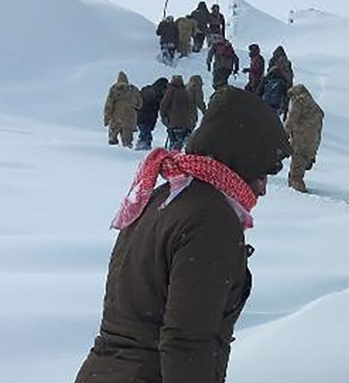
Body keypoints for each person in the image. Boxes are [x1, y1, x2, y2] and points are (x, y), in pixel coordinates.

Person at [75, 87, 292, 383]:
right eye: (261, 171)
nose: (263, 187)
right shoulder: (210, 218)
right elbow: (186, 341)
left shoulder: (164, 196)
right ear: (241, 157)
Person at [284, 84, 324, 192]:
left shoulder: (299, 101)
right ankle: (294, 185)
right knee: (301, 163)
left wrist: (284, 133)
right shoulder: (314, 105)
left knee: (296, 168)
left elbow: (292, 118)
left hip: (301, 138)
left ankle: (297, 191)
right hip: (312, 140)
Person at [103, 71, 143, 148]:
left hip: (116, 117)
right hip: (130, 117)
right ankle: (127, 153)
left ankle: (112, 153)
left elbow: (109, 105)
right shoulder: (133, 89)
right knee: (127, 140)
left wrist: (106, 119)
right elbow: (140, 104)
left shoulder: (114, 89)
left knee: (113, 137)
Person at [159, 75, 192, 151]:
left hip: (173, 122)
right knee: (179, 142)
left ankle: (172, 156)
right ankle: (177, 154)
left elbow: (164, 105)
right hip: (185, 123)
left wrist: (163, 116)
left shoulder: (170, 91)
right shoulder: (185, 92)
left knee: (173, 142)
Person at [135, 78, 169, 151]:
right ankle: (143, 145)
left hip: (140, 114)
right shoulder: (157, 93)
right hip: (147, 116)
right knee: (146, 131)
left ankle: (142, 144)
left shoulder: (147, 89)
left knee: (144, 130)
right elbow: (159, 105)